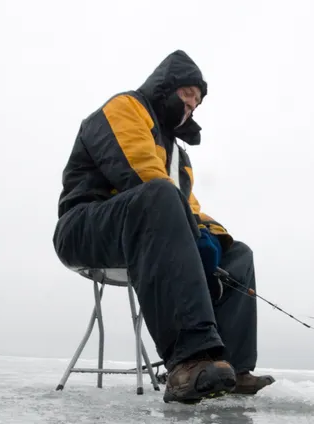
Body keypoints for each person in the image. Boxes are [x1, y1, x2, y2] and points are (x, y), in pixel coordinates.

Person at [52, 50, 276, 405]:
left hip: (148, 226)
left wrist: (211, 236)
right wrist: (188, 228)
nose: (192, 105)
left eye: (197, 102)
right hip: (86, 226)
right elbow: (137, 171)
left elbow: (190, 208)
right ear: (166, 87)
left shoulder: (180, 158)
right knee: (158, 194)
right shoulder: (126, 108)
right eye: (188, 94)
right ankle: (188, 360)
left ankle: (230, 365)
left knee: (237, 253)